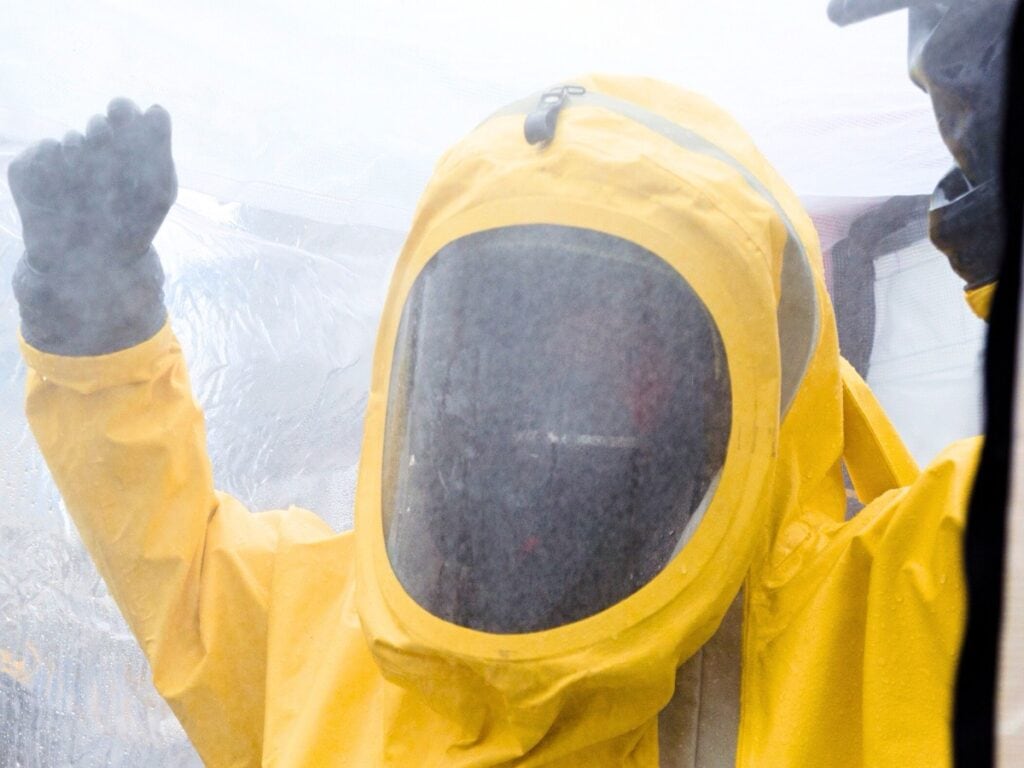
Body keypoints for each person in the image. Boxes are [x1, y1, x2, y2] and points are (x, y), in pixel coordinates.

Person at [5, 76, 986, 768]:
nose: (550, 395)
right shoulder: (327, 628)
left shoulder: (881, 622)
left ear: (731, 387)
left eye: (615, 352)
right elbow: (166, 554)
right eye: (510, 336)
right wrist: (93, 322)